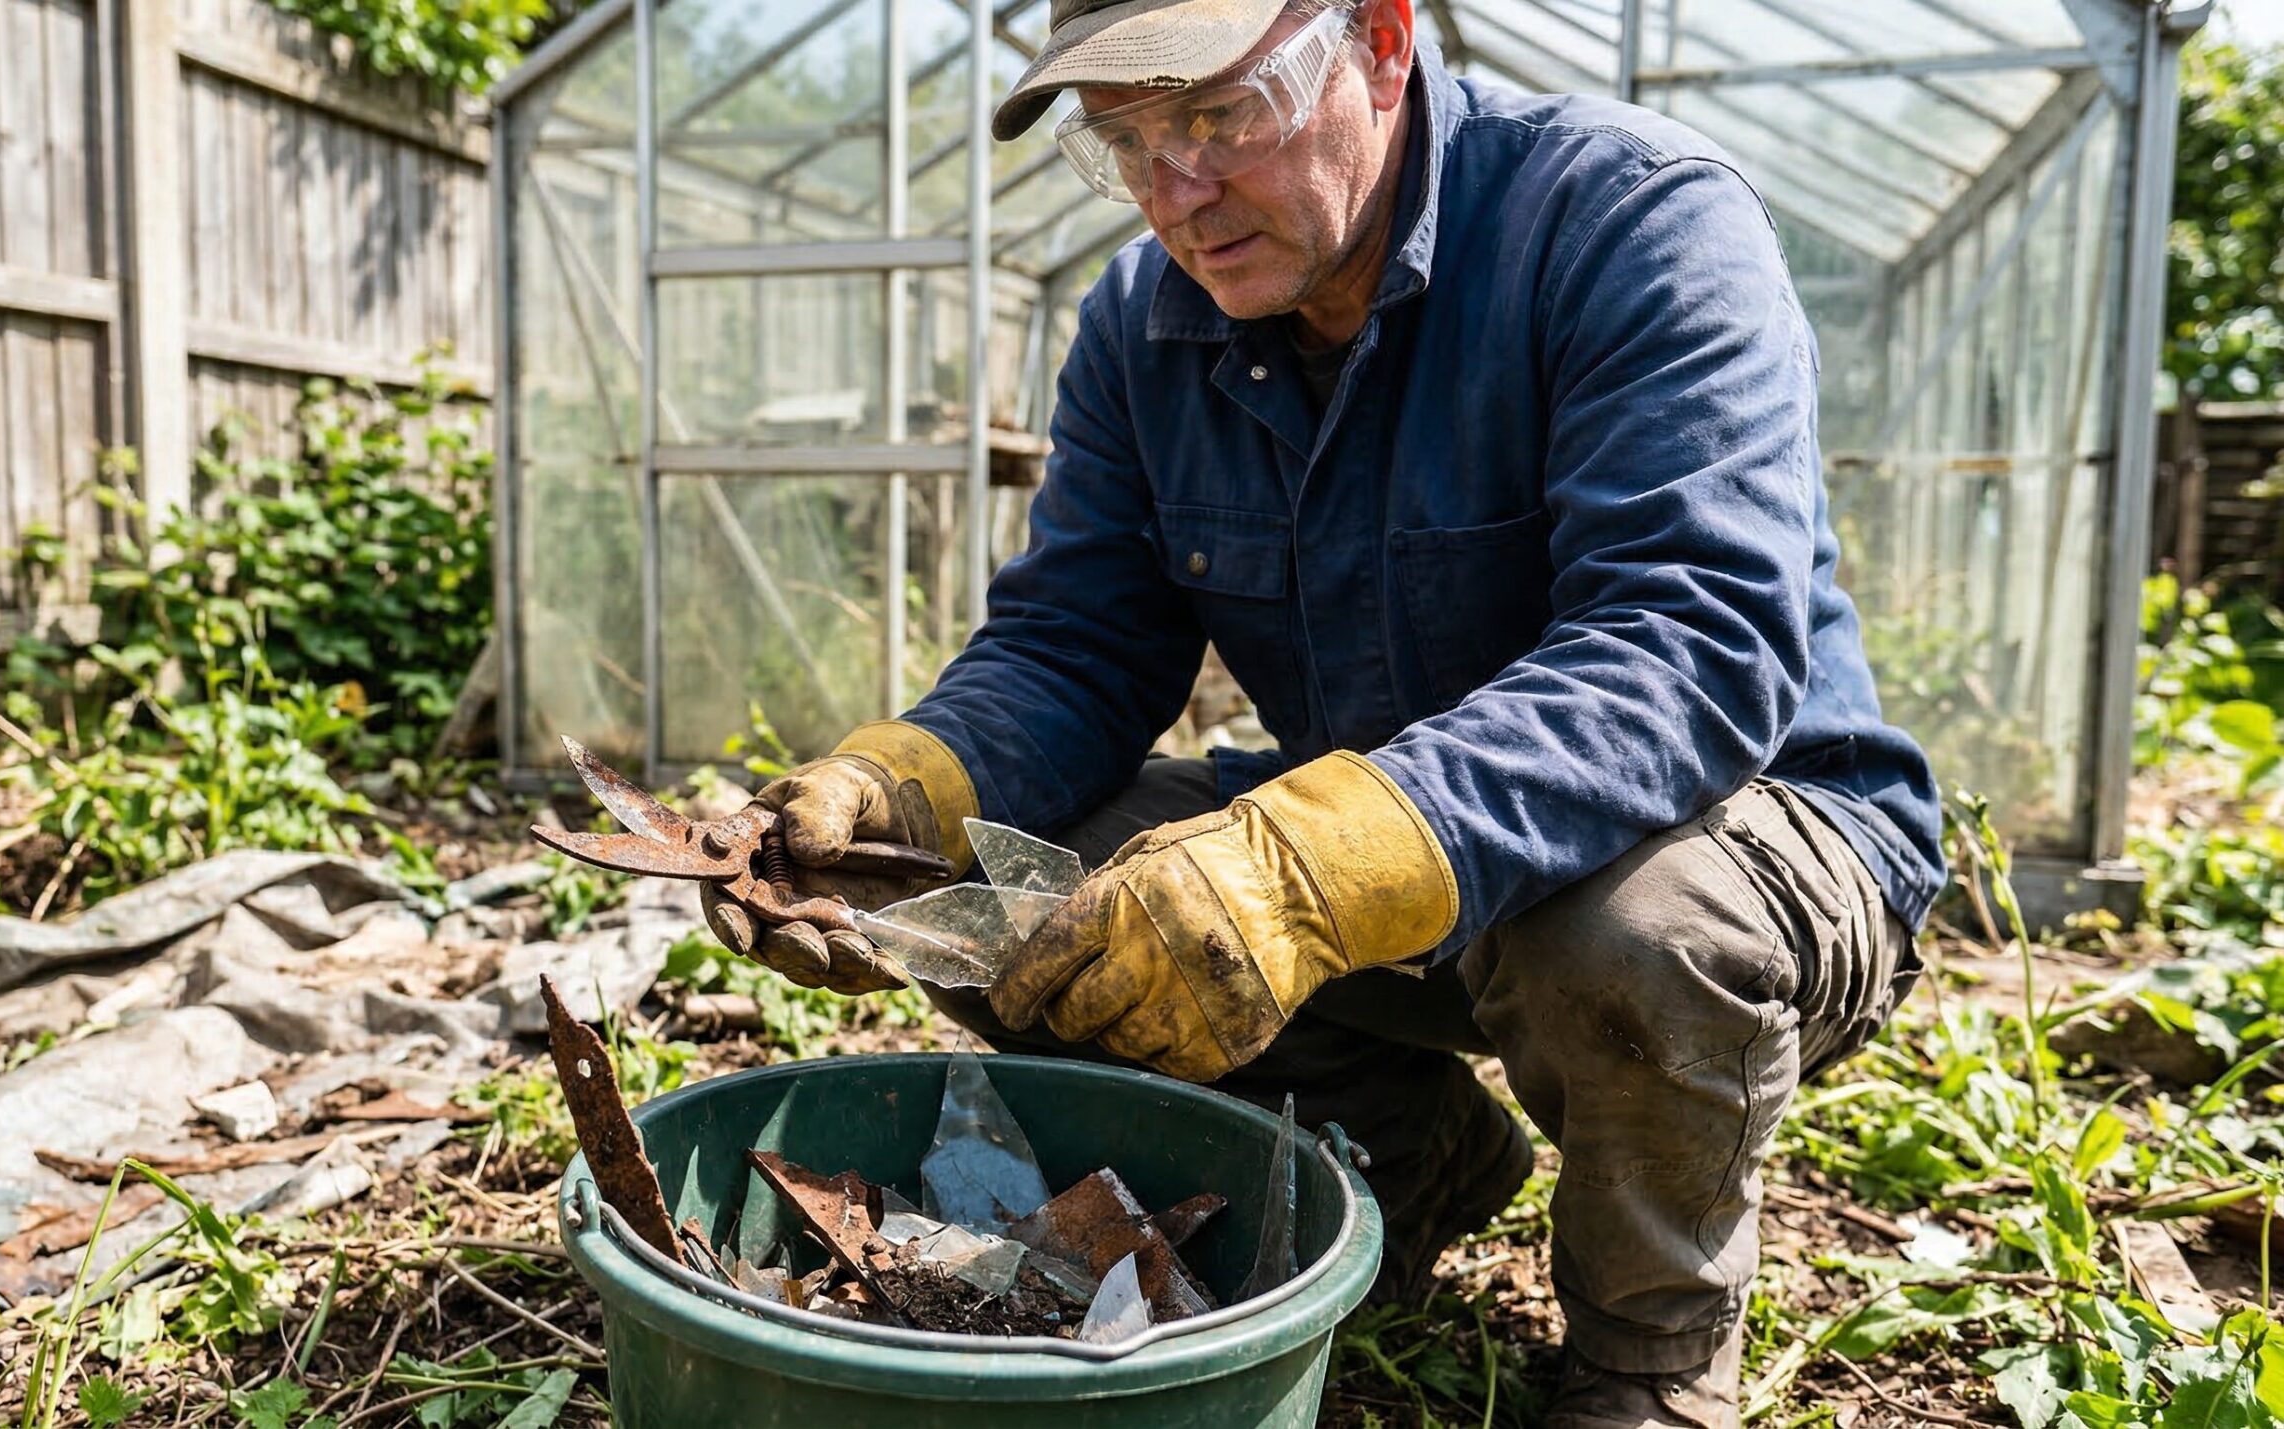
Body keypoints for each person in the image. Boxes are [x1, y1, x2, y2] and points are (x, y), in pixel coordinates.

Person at [693, 1, 1944, 1422]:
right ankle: (1406, 1158)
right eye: (1127, 143)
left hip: (1738, 834)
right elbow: (1078, 641)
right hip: (1391, 867)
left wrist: (1301, 862)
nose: (1179, 194)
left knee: (1625, 932)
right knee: (983, 884)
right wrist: (902, 786)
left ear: (1386, 42)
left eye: (1219, 117)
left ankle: (1647, 1361)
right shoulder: (1141, 326)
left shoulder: (1628, 221)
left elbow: (1690, 643)